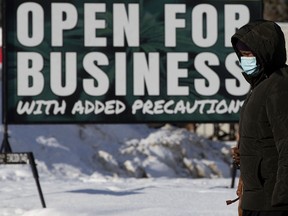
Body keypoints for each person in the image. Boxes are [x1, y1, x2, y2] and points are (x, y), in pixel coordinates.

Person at [231, 20, 288, 216]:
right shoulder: (260, 86)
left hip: (272, 202)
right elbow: (262, 139)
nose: (244, 59)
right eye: (242, 55)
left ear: (266, 52)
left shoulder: (279, 86)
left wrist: (282, 199)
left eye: (249, 54)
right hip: (257, 200)